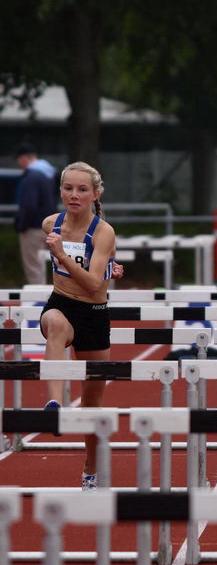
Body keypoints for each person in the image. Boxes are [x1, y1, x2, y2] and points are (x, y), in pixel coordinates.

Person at [39, 162, 117, 491]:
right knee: (54, 323)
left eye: (82, 189)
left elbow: (91, 283)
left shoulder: (104, 232)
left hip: (94, 312)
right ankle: (54, 406)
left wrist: (62, 254)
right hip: (61, 302)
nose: (74, 195)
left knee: (92, 405)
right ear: (60, 191)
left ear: (95, 194)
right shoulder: (50, 224)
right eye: (68, 188)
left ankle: (91, 467)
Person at [14, 144, 58, 285]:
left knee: (34, 268)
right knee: (57, 265)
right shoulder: (49, 173)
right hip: (49, 226)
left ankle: (36, 303)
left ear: (24, 158)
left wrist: (21, 225)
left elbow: (29, 205)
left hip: (32, 228)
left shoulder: (31, 176)